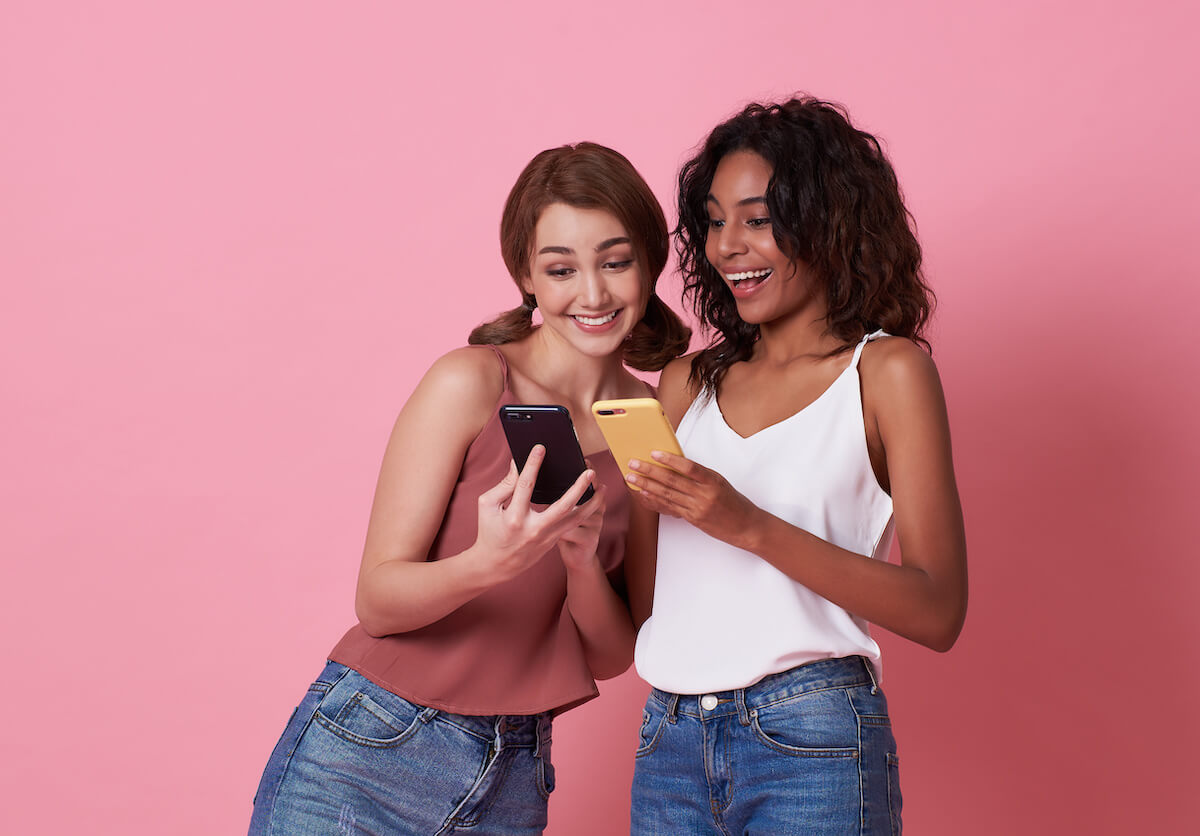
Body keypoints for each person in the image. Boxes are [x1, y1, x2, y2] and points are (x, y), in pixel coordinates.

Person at [248, 142, 690, 836]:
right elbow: (378, 601)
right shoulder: (472, 381)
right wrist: (491, 563)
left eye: (615, 261)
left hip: (514, 773)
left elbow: (612, 654)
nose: (594, 294)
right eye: (561, 269)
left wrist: (577, 559)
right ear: (526, 277)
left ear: (648, 263)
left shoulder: (648, 426)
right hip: (370, 748)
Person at [623, 97, 968, 835]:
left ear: (828, 221)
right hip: (669, 741)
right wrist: (584, 535)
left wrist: (745, 523)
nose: (726, 247)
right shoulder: (687, 384)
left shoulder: (885, 373)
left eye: (757, 218)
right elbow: (648, 601)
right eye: (714, 221)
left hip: (812, 737)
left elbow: (938, 611)